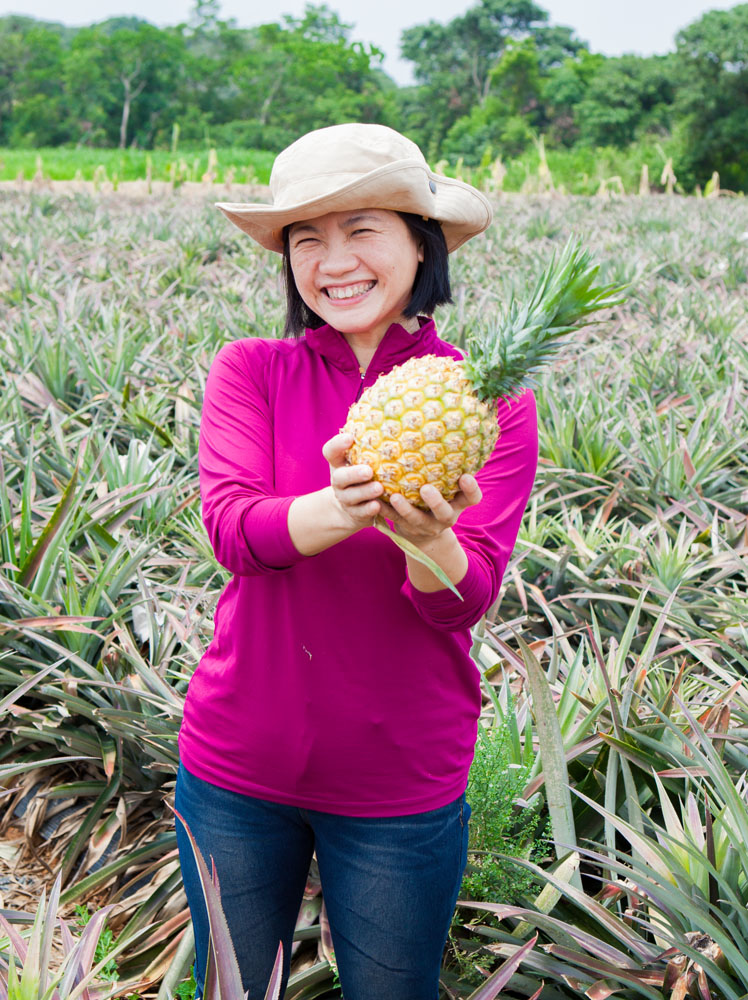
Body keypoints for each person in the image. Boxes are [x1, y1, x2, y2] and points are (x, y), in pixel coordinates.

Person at [174, 122, 538, 1000]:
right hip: (237, 764)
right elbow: (233, 530)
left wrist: (424, 536)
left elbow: (464, 598)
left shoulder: (490, 404)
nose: (333, 259)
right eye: (307, 238)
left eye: (361, 229)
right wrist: (347, 505)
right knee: (231, 991)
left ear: (422, 244)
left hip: (400, 778)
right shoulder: (252, 371)